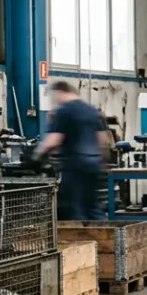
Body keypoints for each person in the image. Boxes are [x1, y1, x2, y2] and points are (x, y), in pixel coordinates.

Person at [34, 80, 108, 221]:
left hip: (75, 166)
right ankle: (107, 239)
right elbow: (104, 140)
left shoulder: (64, 110)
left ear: (59, 93)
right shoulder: (92, 110)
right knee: (92, 208)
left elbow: (53, 140)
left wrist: (37, 155)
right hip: (94, 165)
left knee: (71, 209)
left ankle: (77, 242)